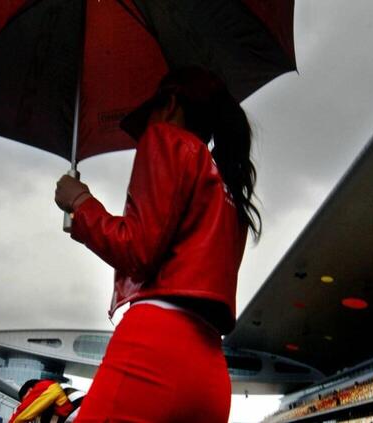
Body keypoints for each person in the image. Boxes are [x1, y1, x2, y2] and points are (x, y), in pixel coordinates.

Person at [54, 66, 260, 422]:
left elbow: (137, 249)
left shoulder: (167, 139)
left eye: (150, 112)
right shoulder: (228, 187)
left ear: (171, 103)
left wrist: (80, 202)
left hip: (154, 351)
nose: (147, 127)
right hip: (210, 372)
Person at [9, 379, 83, 423]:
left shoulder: (45, 386)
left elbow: (23, 413)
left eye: (27, 400)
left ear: (30, 390)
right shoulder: (52, 407)